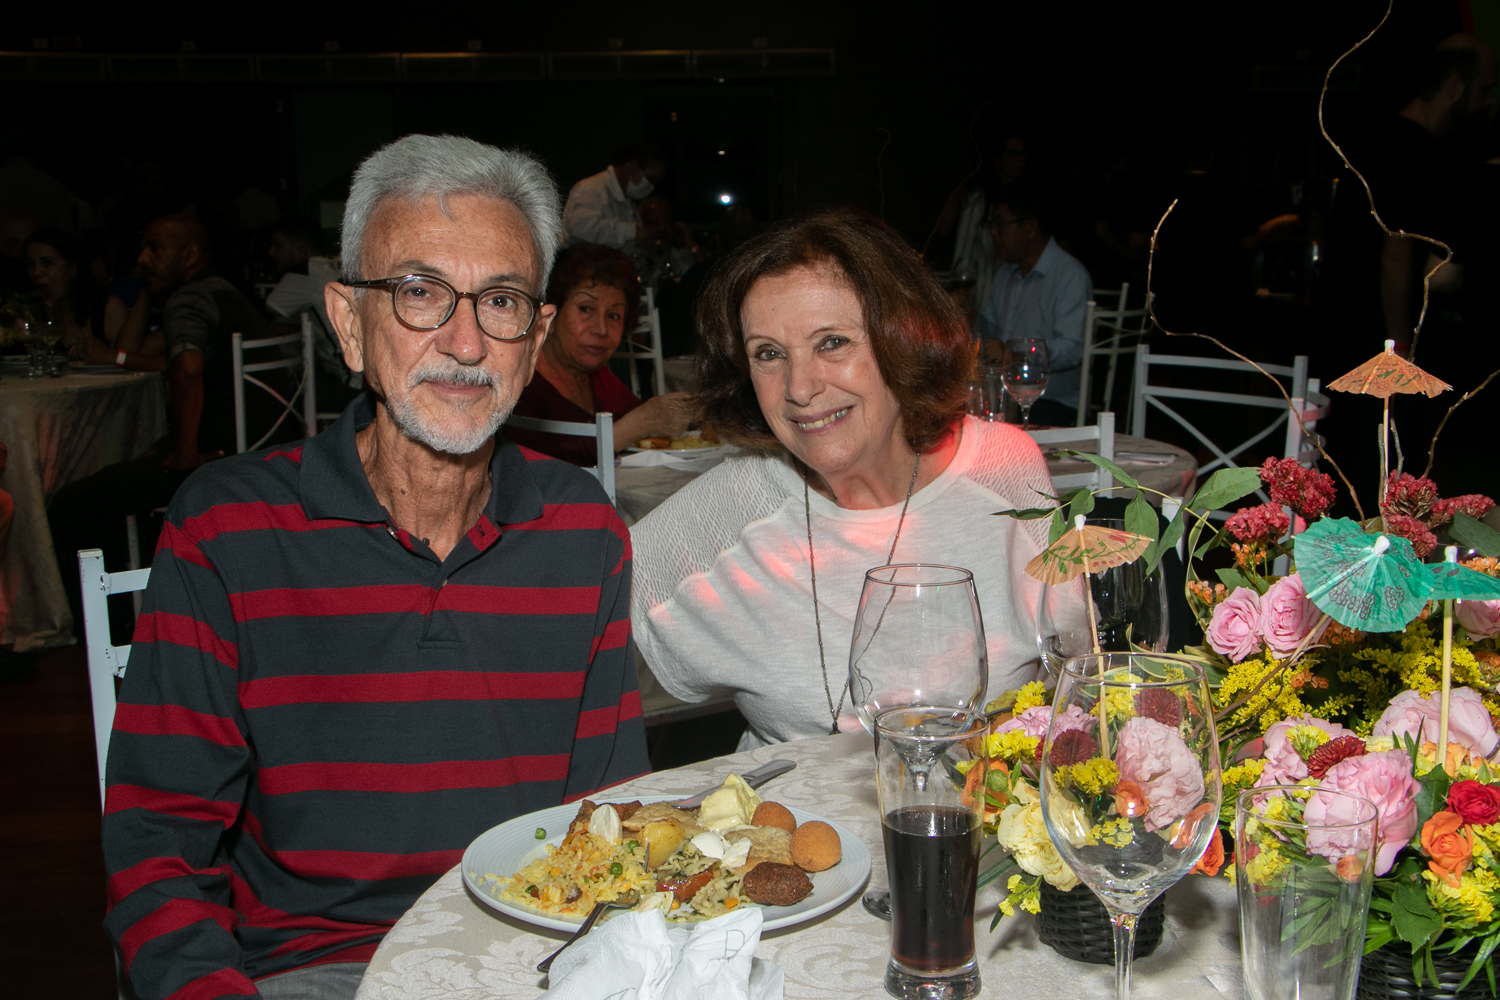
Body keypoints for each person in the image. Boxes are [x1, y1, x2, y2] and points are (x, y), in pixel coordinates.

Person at [101, 134, 649, 1000]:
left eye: (501, 300)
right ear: (350, 324)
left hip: (536, 961)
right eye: (419, 292)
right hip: (318, 970)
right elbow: (157, 843)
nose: (465, 343)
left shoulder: (584, 534)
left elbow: (610, 819)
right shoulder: (230, 530)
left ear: (535, 336)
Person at [630, 207, 1056, 750]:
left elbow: (1085, 668)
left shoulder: (1004, 469)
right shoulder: (737, 501)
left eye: (832, 342)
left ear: (904, 339)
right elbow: (573, 616)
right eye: (768, 354)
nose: (799, 388)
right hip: (791, 804)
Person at [47, 215, 274, 629]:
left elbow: (187, 369)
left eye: (155, 248)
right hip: (261, 449)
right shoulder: (224, 292)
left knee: (70, 505)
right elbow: (160, 358)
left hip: (222, 463)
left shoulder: (189, 300)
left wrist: (185, 453)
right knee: (131, 470)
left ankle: (114, 629)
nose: (141, 259)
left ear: (189, 255)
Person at [505, 243, 692, 463]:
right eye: (586, 309)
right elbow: (533, 470)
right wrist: (639, 423)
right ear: (549, 318)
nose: (601, 329)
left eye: (613, 316)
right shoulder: (518, 387)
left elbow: (647, 420)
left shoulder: (599, 379)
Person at [975, 184, 1092, 426]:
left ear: (1029, 228)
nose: (993, 233)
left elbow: (1072, 350)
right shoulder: (1006, 274)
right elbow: (987, 328)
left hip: (1053, 402)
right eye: (992, 225)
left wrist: (1014, 353)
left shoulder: (1069, 275)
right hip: (1007, 396)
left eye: (1000, 224)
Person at [560, 141, 668, 253]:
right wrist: (630, 231)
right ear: (632, 165)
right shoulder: (593, 188)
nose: (651, 187)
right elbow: (579, 229)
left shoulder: (628, 203)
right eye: (650, 179)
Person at [23, 227, 101, 350]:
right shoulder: (26, 314)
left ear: (72, 269)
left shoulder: (104, 310)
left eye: (47, 263)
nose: (37, 272)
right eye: (31, 264)